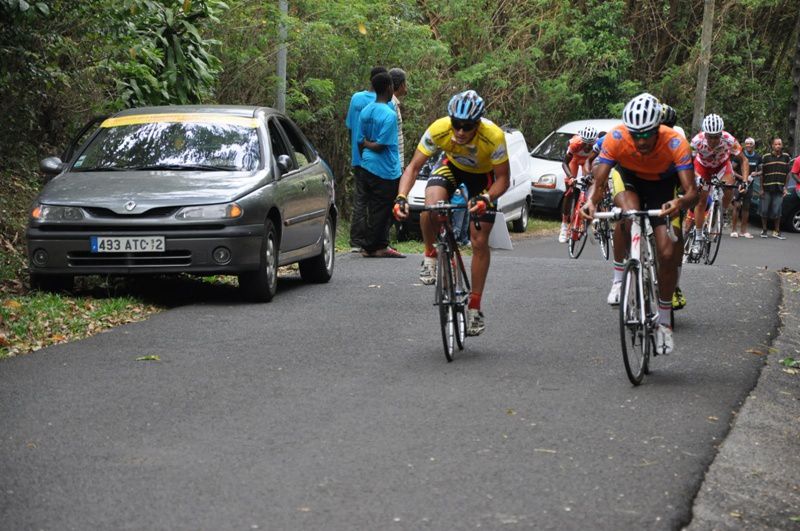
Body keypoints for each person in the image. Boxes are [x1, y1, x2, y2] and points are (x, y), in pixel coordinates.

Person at [582, 92, 698, 355]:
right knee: (628, 214)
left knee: (668, 252)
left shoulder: (675, 142)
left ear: (659, 127)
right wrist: (590, 203)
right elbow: (598, 183)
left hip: (663, 186)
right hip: (630, 179)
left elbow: (692, 192)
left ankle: (665, 320)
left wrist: (678, 204)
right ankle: (620, 278)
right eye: (636, 134)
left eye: (648, 133)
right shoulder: (617, 137)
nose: (642, 140)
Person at [393, 90, 510, 336]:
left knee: (479, 241)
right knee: (430, 207)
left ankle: (475, 307)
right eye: (456, 124)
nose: (460, 131)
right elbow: (413, 167)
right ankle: (430, 255)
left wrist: (487, 198)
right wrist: (401, 197)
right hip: (452, 168)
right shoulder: (439, 129)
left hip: (484, 179)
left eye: (467, 127)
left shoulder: (493, 137)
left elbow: (503, 180)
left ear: (478, 125)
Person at [357, 72, 405, 257]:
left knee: (373, 207)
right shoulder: (389, 114)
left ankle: (377, 244)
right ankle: (374, 246)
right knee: (384, 208)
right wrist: (370, 145)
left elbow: (361, 141)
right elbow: (380, 145)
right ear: (389, 88)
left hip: (367, 164)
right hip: (385, 169)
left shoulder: (366, 110)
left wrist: (366, 149)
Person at [688, 114, 748, 257]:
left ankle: (722, 211)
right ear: (705, 134)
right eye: (710, 136)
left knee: (729, 186)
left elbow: (744, 160)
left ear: (721, 134)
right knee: (701, 200)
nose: (714, 140)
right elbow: (687, 163)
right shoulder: (696, 142)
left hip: (722, 166)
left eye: (717, 136)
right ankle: (697, 237)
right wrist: (696, 178)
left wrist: (745, 181)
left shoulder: (729, 140)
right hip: (702, 168)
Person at [346, 66, 388, 252]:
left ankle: (356, 240)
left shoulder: (356, 99)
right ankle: (373, 239)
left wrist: (355, 150)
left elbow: (349, 128)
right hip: (379, 160)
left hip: (359, 156)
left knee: (360, 198)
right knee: (377, 200)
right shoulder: (386, 103)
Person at [559, 125, 600, 243]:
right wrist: (571, 177)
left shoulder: (598, 145)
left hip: (588, 162)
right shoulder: (574, 144)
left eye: (590, 144)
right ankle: (564, 225)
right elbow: (564, 163)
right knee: (569, 192)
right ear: (582, 140)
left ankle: (591, 217)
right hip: (574, 161)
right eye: (585, 143)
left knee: (593, 186)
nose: (587, 147)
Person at [758, 137, 792, 239]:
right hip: (767, 188)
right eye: (776, 144)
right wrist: (761, 189)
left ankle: (776, 231)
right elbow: (762, 174)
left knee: (777, 211)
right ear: (772, 145)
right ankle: (764, 230)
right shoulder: (766, 157)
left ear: (782, 146)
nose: (778, 146)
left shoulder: (786, 157)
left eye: (779, 144)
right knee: (764, 210)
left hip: (779, 189)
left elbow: (788, 173)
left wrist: (785, 187)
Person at [730, 137, 761, 238]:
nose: (748, 145)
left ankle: (743, 231)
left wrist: (756, 173)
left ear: (754, 145)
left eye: (750, 144)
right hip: (738, 184)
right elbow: (731, 169)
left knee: (746, 207)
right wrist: (743, 177)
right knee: (737, 206)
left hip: (750, 185)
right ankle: (734, 230)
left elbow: (761, 170)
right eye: (747, 144)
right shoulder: (739, 156)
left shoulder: (757, 157)